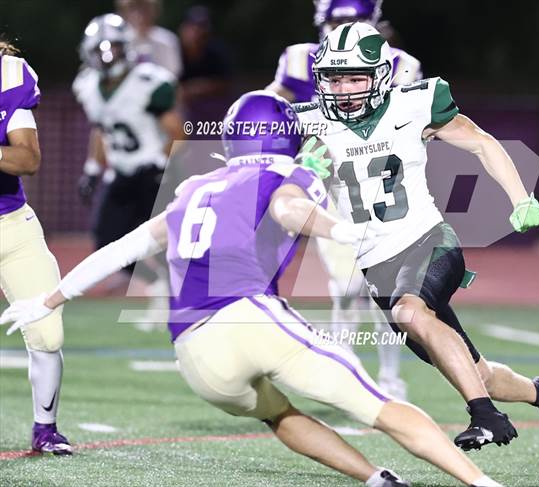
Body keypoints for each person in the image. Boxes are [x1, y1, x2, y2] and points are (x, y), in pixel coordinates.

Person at [1, 91, 505, 487]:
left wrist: (48, 300)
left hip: (195, 355)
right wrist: (339, 229)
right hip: (250, 316)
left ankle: (374, 477)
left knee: (278, 413)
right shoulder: (288, 169)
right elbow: (288, 208)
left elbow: (120, 251)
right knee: (380, 408)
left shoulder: (192, 188)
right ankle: (483, 483)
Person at [295, 22, 539, 454]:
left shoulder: (413, 105)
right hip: (378, 271)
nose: (343, 89)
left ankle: (484, 415)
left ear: (380, 75)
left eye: (355, 77)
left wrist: (520, 198)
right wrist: (304, 176)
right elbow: (292, 187)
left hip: (428, 241)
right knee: (479, 373)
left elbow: (482, 144)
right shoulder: (312, 123)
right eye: (335, 78)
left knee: (410, 313)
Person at [266, 0, 421, 399]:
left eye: (354, 21)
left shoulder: (400, 63)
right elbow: (271, 108)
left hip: (383, 186)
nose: (344, 29)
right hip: (332, 184)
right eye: (338, 21)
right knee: (347, 286)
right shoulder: (301, 60)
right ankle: (346, 371)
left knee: (385, 287)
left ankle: (389, 378)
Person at [73, 14, 185, 328]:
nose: (108, 56)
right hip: (121, 173)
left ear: (128, 48)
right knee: (107, 242)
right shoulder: (88, 85)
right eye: (101, 49)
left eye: (114, 48)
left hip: (152, 171)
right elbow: (101, 130)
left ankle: (182, 305)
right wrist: (92, 169)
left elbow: (178, 131)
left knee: (166, 245)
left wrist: (164, 165)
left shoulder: (148, 81)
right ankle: (157, 285)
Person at [0, 42, 72, 455]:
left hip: (11, 222)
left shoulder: (9, 75)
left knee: (47, 331)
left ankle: (46, 430)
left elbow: (27, 158)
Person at [116, 0, 182, 78]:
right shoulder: (118, 42)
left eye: (145, 8)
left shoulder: (168, 40)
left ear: (155, 11)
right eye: (133, 8)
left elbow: (173, 75)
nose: (139, 14)